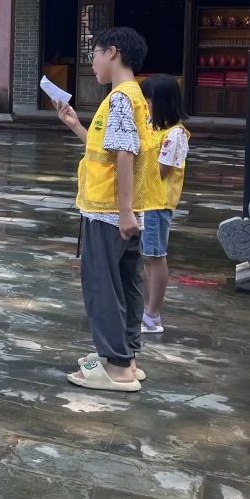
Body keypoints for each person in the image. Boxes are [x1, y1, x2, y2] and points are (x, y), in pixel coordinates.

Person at [55, 26, 154, 392]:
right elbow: (111, 150)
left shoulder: (120, 99)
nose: (92, 63)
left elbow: (125, 154)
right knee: (126, 283)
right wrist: (76, 126)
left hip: (108, 210)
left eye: (94, 54)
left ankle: (116, 367)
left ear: (112, 52)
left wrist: (123, 211)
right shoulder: (133, 95)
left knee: (102, 285)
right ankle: (126, 356)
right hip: (124, 209)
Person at [139, 73, 190, 335]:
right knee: (146, 258)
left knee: (155, 257)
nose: (145, 105)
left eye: (148, 100)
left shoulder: (175, 134)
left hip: (157, 204)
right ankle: (147, 310)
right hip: (145, 201)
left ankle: (153, 314)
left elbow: (160, 171)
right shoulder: (154, 128)